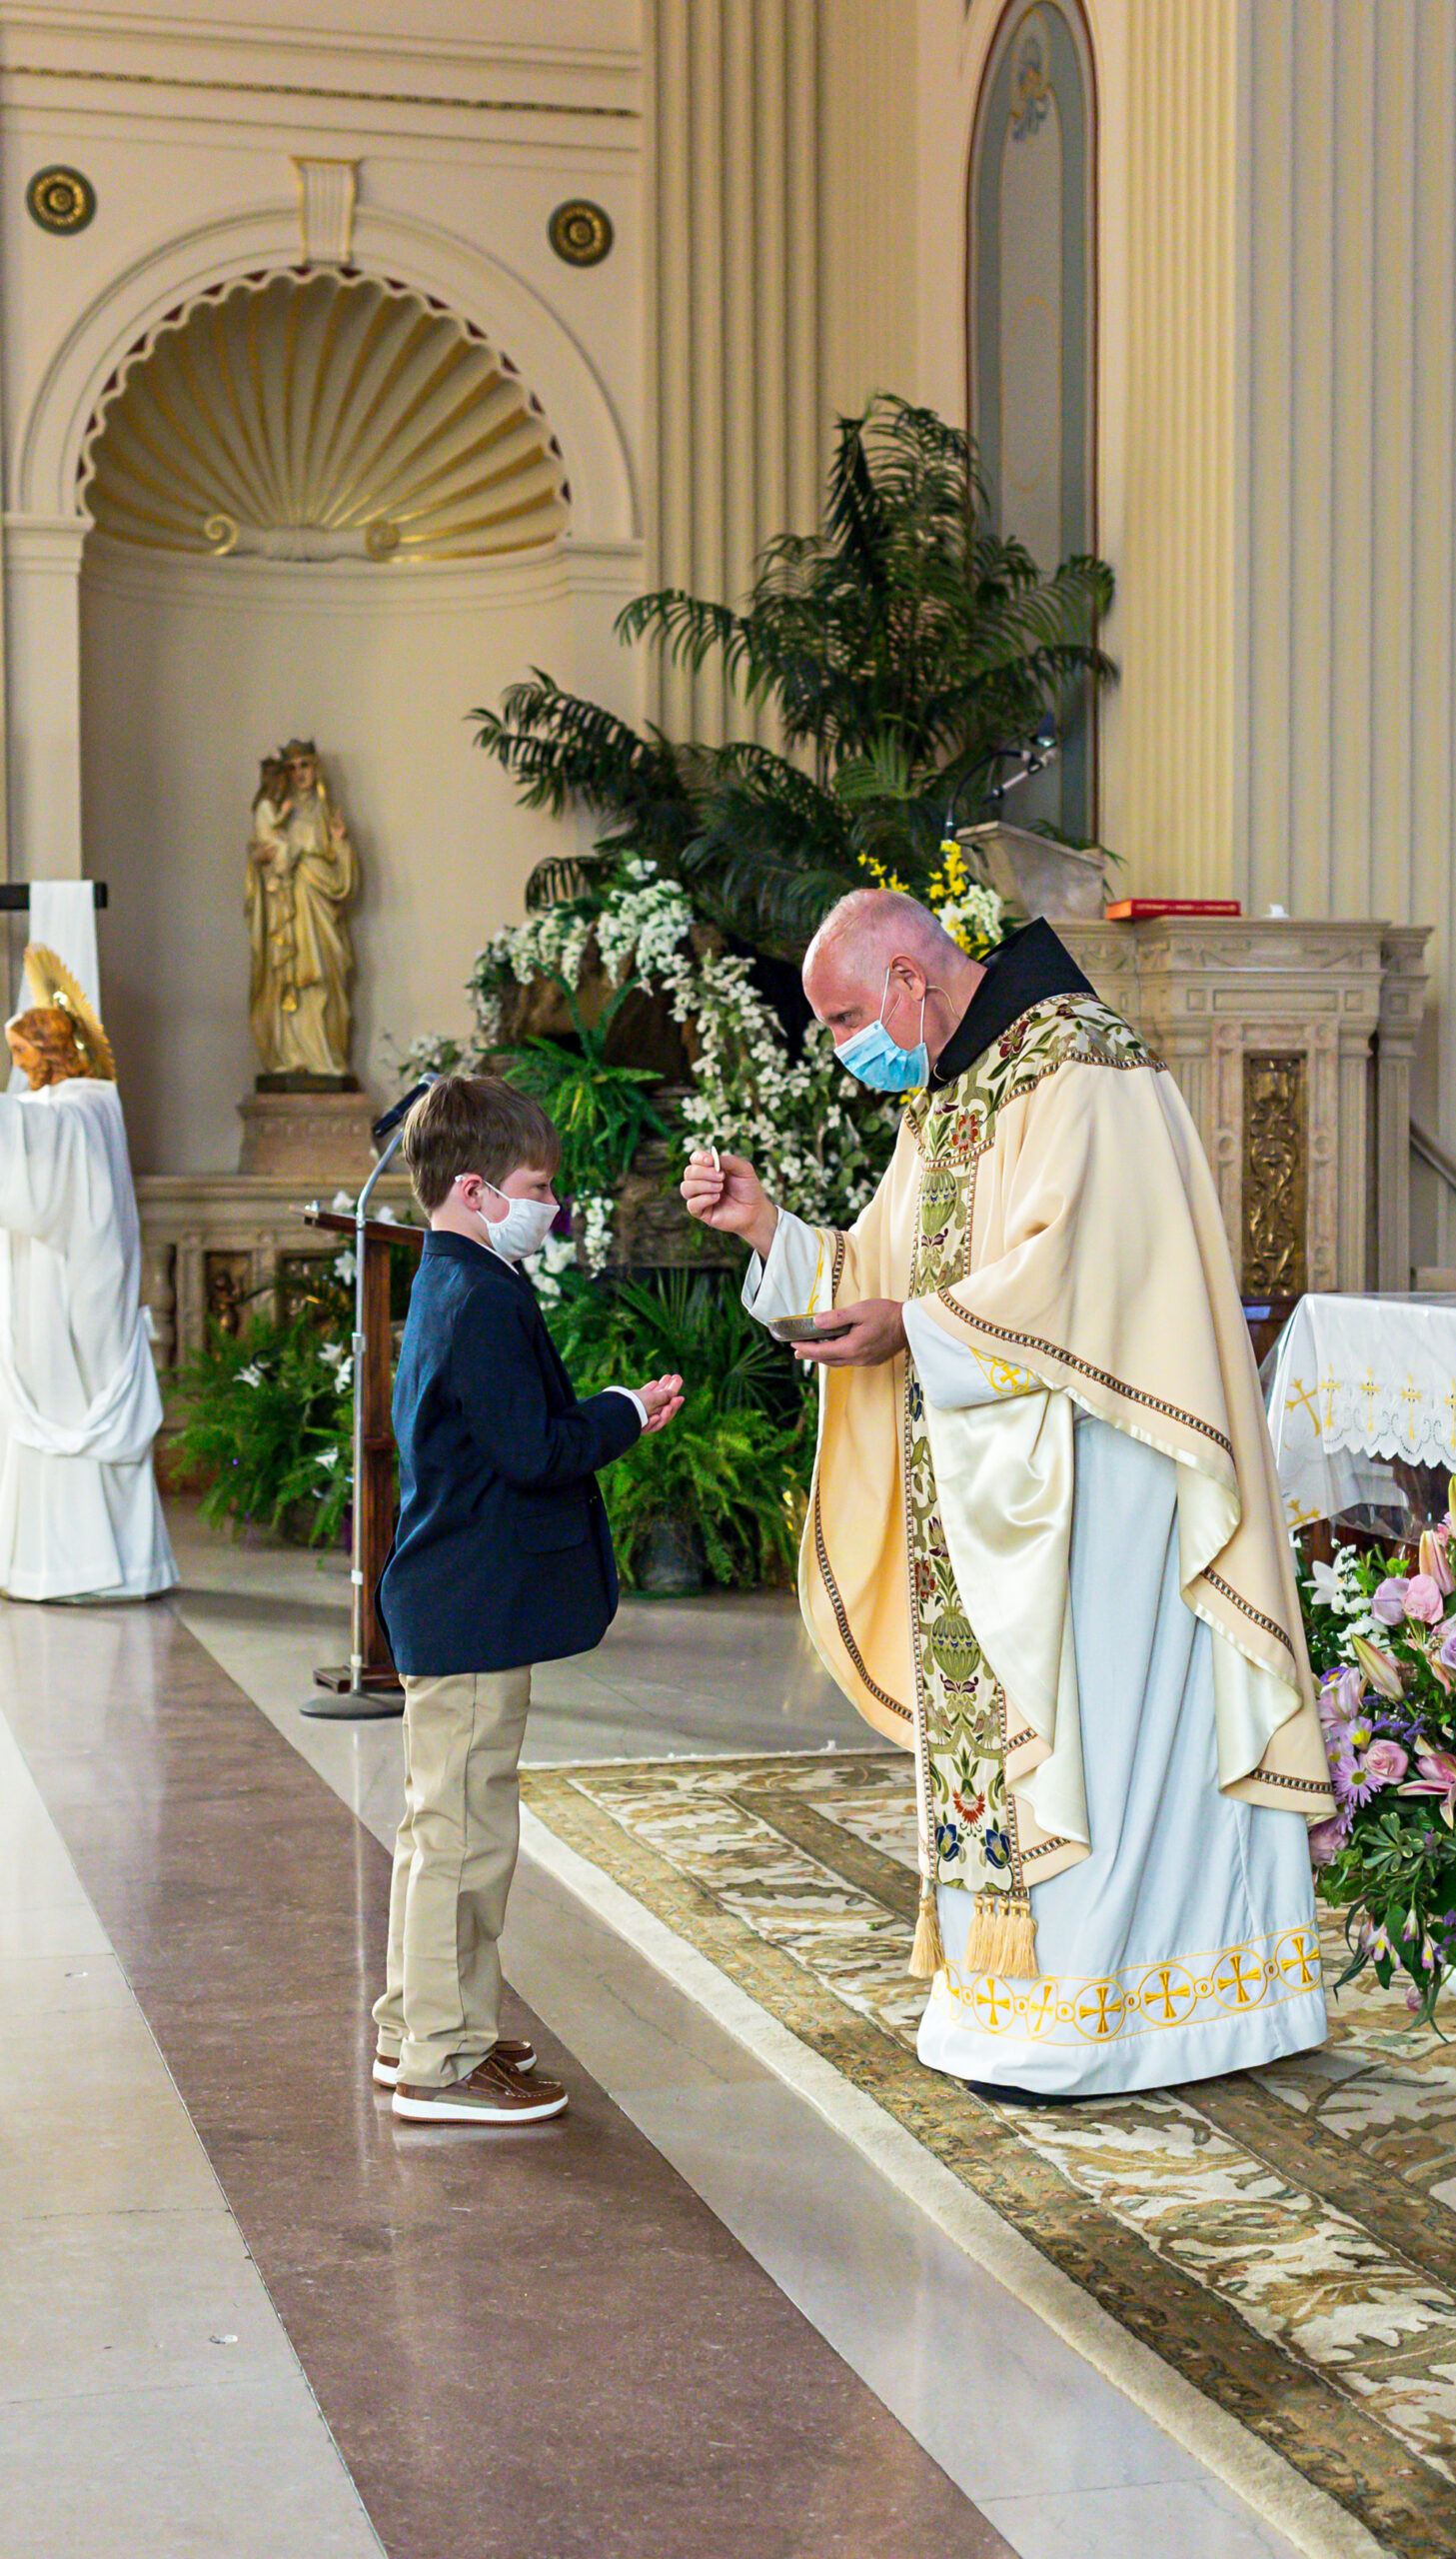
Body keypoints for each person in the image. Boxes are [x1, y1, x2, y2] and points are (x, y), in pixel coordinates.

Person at [683, 891, 1333, 2100]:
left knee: (1099, 1728)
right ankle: (1017, 1995)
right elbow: (886, 1263)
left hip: (1108, 1479)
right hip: (1001, 1480)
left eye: (841, 1019)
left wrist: (915, 1330)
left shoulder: (1087, 1066)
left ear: (906, 984)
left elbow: (1085, 1274)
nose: (842, 1050)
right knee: (1041, 1738)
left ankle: (1126, 2010)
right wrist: (770, 1228)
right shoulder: (954, 1091)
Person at [374, 1075, 684, 2126]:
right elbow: (533, 1451)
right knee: (463, 1837)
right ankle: (443, 2061)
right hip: (469, 1606)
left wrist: (601, 1409)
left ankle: (414, 2021)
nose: (550, 1206)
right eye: (536, 1187)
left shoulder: (451, 1274)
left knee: (440, 1828)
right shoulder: (483, 1295)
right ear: (472, 1189)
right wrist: (620, 1416)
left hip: (451, 1596)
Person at [0, 945, 177, 1604]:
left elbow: (28, 1162)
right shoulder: (93, 1105)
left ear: (48, 1054)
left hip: (73, 1300)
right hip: (81, 1288)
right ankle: (90, 1565)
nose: (17, 1070)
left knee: (64, 1410)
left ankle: (73, 1570)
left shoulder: (73, 1111)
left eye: (21, 1056)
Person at [245, 738, 358, 1078]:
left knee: (323, 977)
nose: (300, 774)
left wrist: (340, 843)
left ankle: (326, 1056)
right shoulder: (277, 810)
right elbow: (262, 862)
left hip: (318, 908)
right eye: (292, 768)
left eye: (305, 765)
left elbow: (342, 880)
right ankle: (291, 1056)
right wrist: (257, 863)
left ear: (316, 768)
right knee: (286, 981)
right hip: (285, 910)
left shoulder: (326, 813)